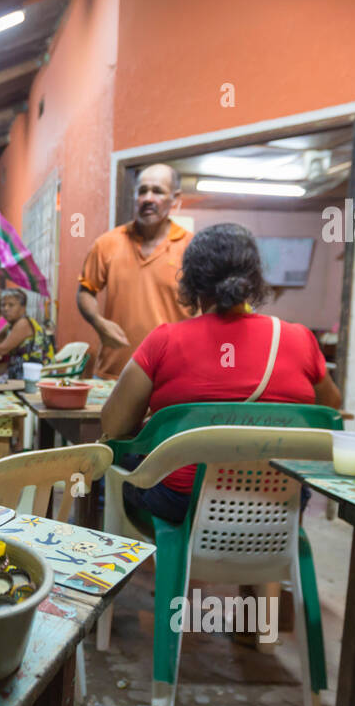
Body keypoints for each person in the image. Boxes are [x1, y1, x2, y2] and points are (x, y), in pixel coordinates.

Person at [101, 223, 342, 524]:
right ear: (254, 278)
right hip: (279, 501)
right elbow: (330, 412)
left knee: (112, 464)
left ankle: (120, 561)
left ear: (191, 281)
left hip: (183, 502)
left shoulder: (164, 341)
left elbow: (113, 423)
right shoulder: (298, 339)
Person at [77, 164, 193, 378]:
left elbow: (206, 307)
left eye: (157, 191)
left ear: (175, 198)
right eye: (142, 191)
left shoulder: (191, 247)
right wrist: (98, 322)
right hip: (114, 373)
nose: (148, 198)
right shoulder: (107, 243)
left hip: (173, 375)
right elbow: (85, 291)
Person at [0, 288, 53, 379]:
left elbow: (2, 350)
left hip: (35, 375)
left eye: (11, 305)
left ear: (23, 308)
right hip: (20, 372)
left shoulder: (23, 323)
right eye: (3, 305)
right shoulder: (11, 325)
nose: (6, 309)